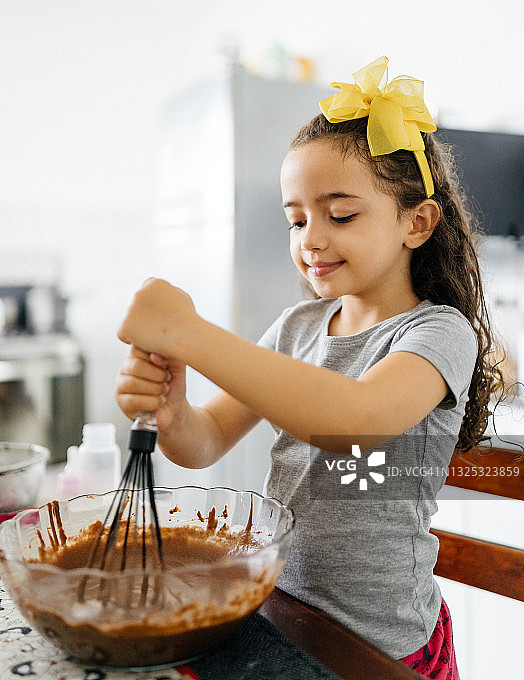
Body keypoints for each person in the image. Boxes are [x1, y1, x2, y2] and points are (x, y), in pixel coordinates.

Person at [115, 56, 504, 679]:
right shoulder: (295, 328)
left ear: (417, 221)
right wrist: (172, 411)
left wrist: (190, 334)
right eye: (296, 219)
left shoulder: (436, 334)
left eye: (340, 215)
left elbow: (353, 421)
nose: (310, 240)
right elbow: (205, 441)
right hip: (288, 612)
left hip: (384, 644)